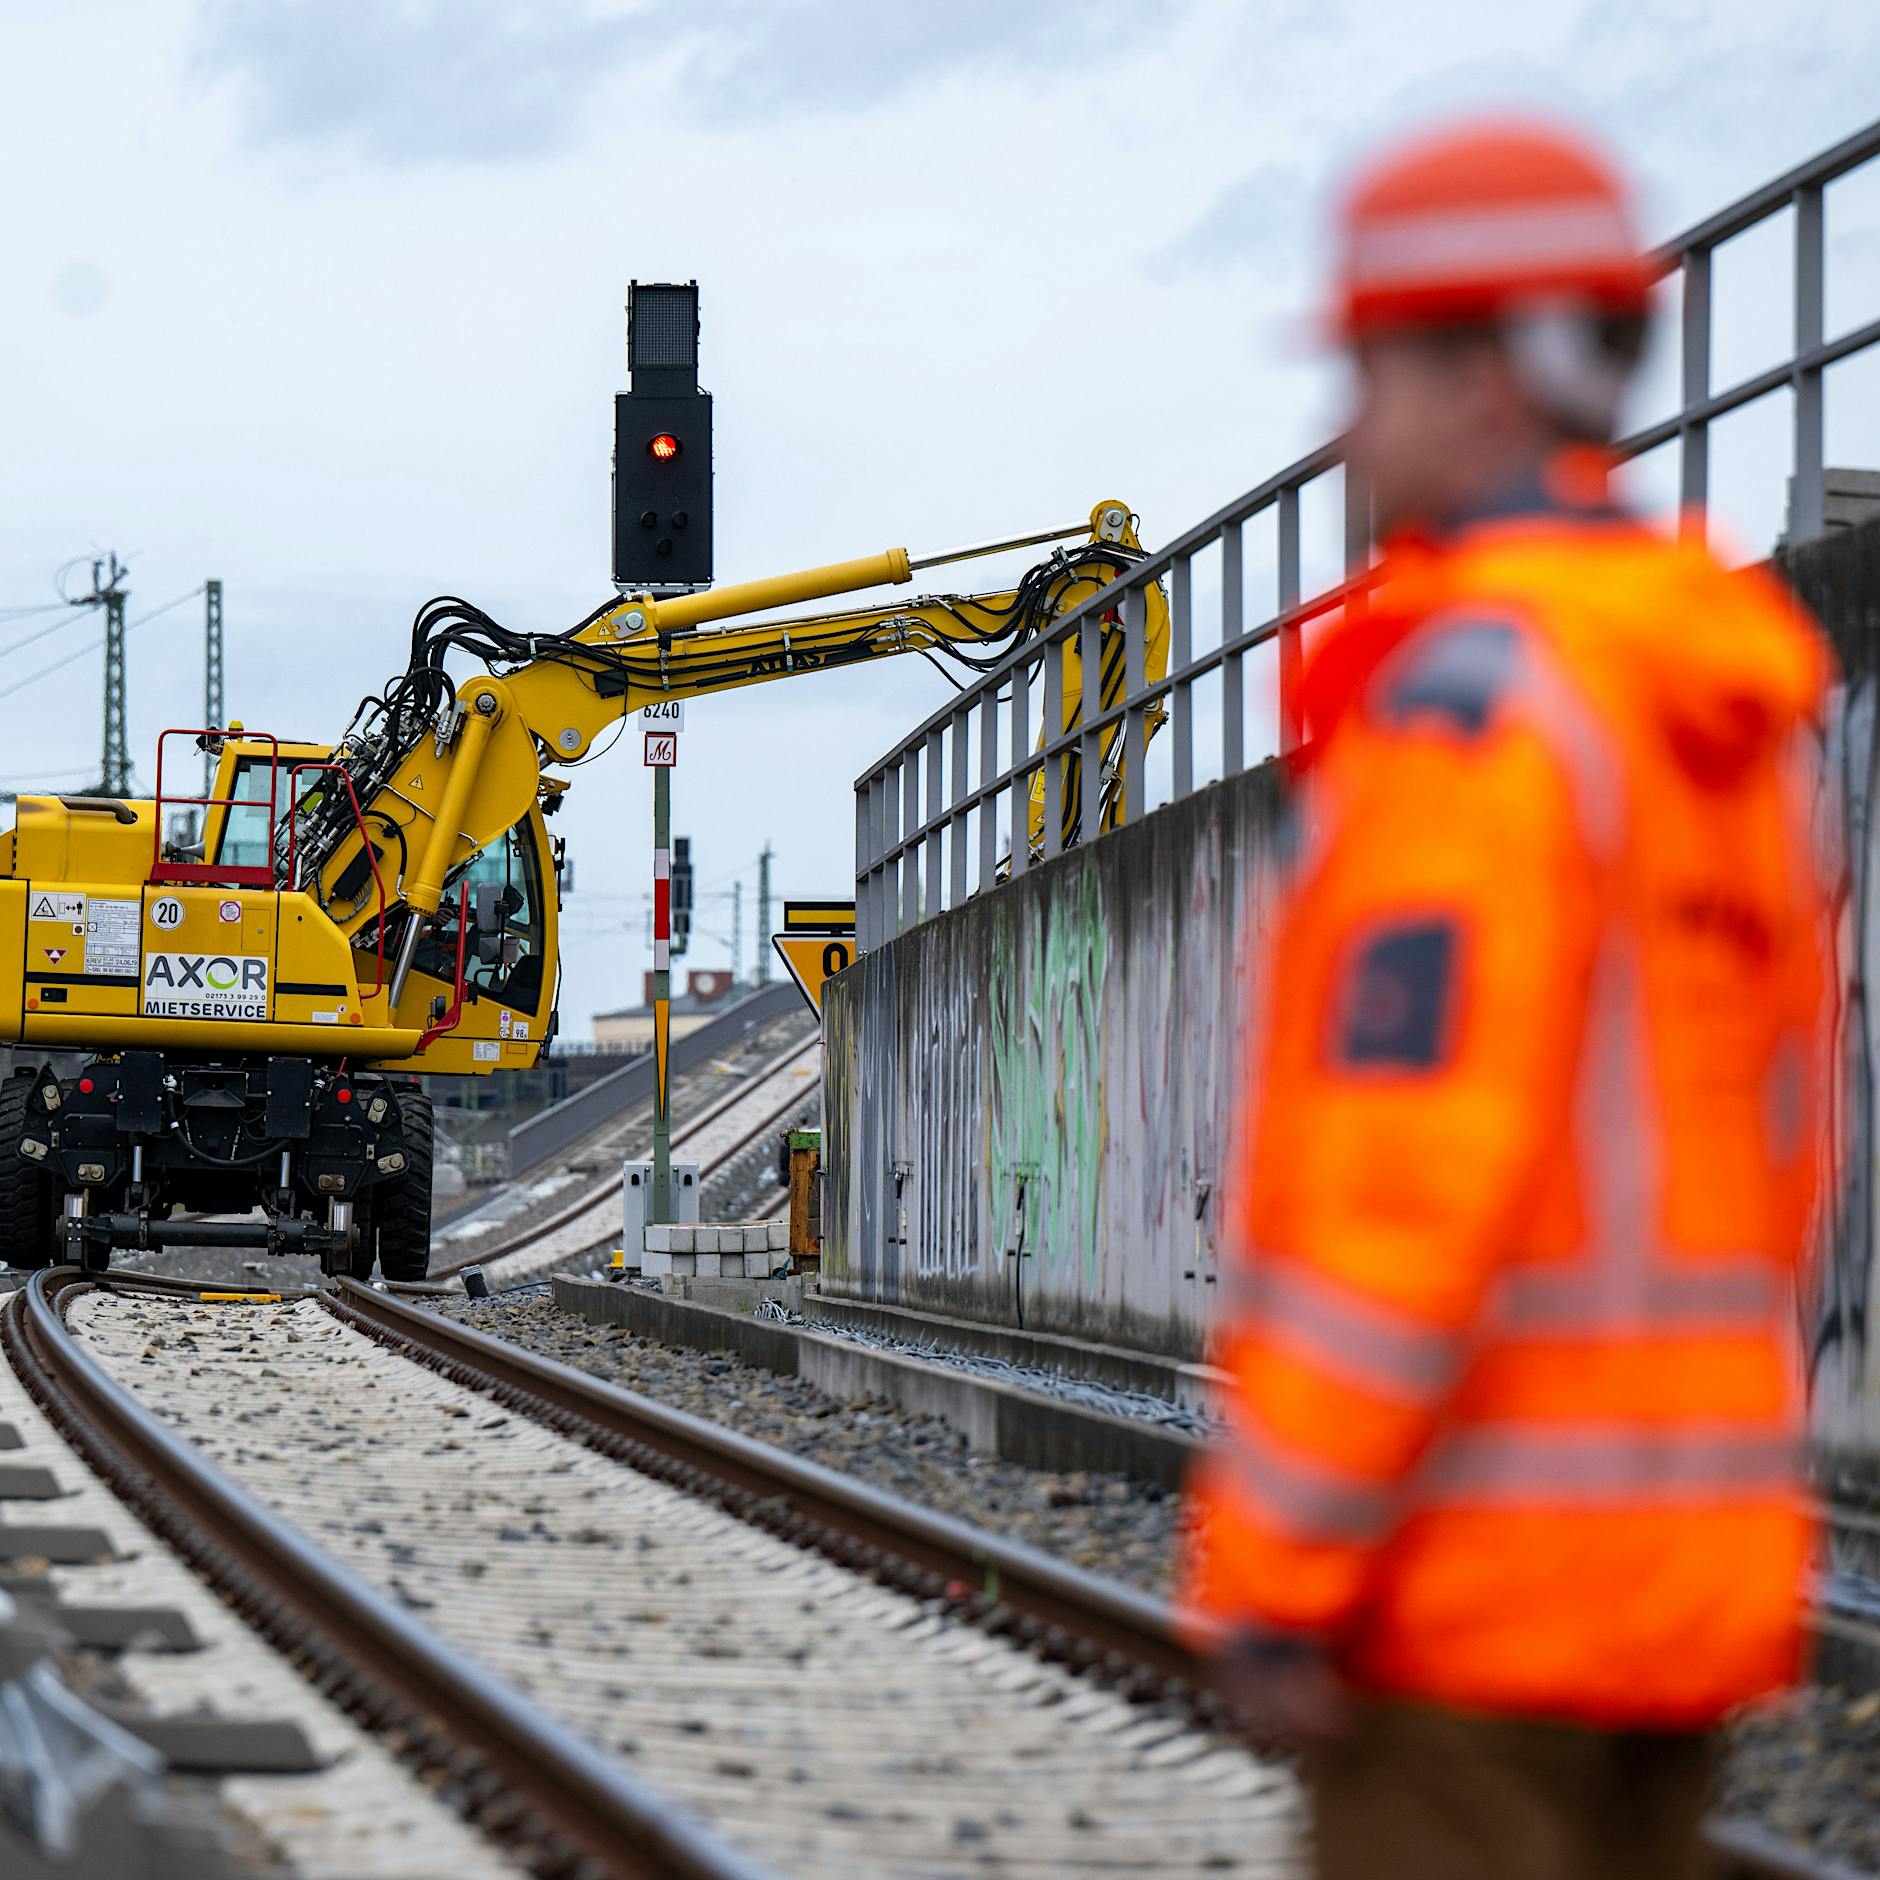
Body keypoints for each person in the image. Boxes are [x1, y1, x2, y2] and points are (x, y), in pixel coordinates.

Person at [1183, 118, 1831, 1880]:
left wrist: (1285, 1564)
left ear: (1484, 374)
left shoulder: (1476, 714)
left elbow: (1412, 1181)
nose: (1348, 426)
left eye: (1368, 369)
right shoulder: (1718, 715)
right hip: (1682, 1580)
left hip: (1469, 1590)